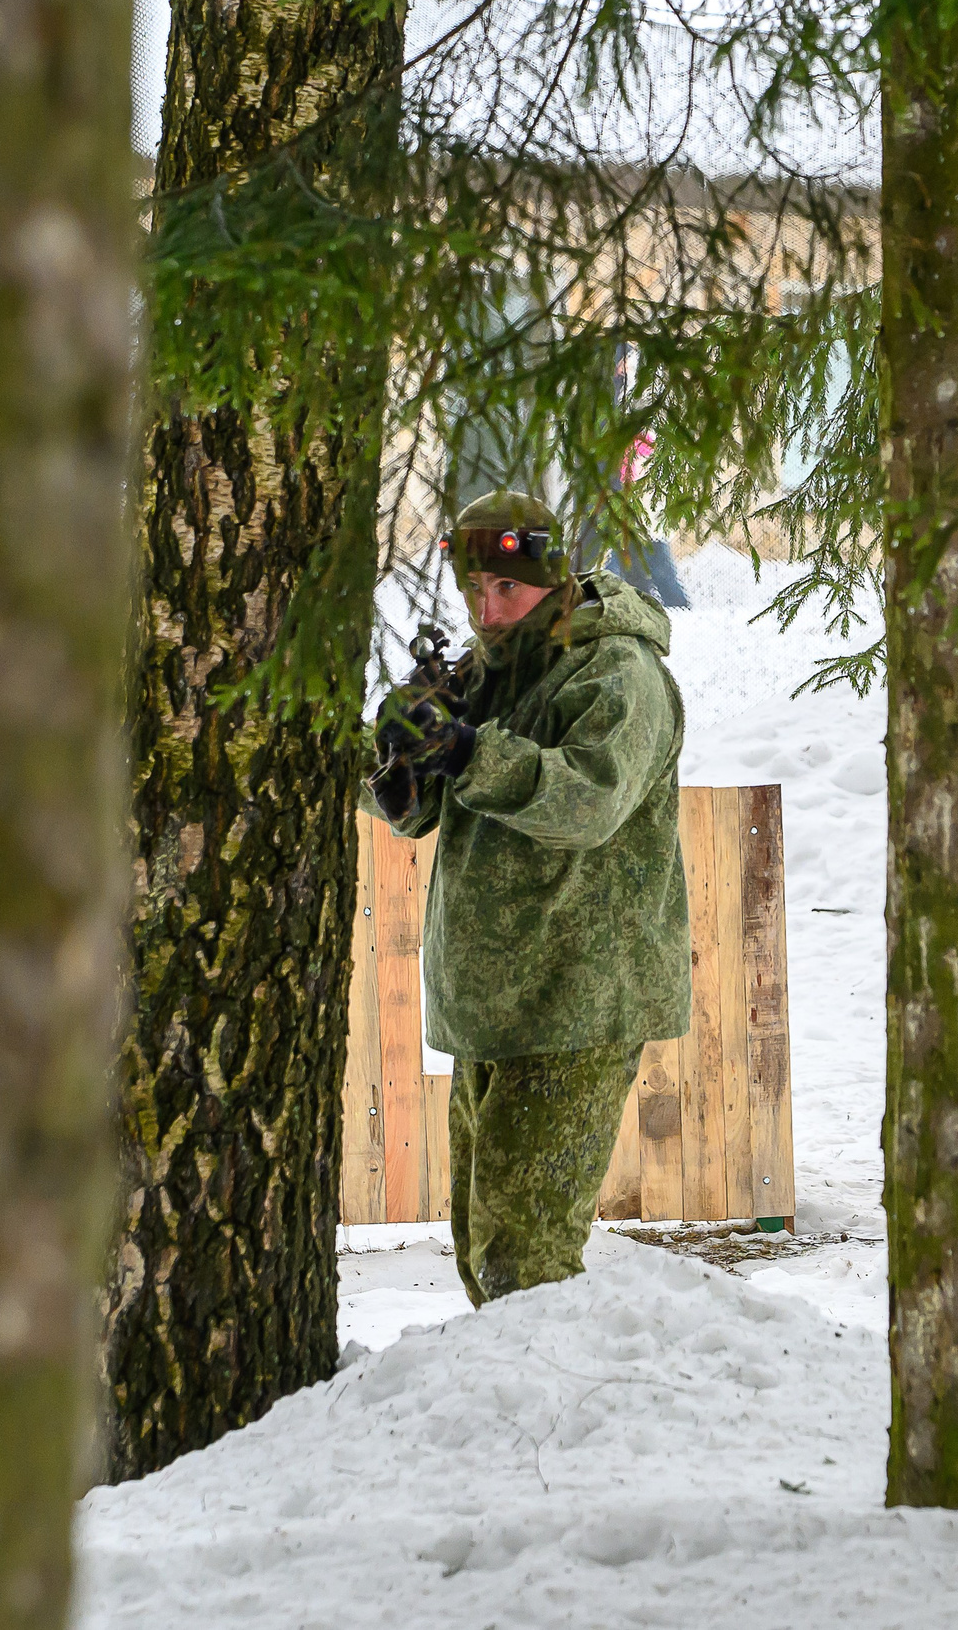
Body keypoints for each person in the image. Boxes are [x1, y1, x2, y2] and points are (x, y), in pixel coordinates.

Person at [363, 490, 690, 1306]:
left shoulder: (620, 669)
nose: (488, 610)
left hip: (576, 1001)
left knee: (526, 1265)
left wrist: (472, 750)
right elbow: (418, 810)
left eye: (507, 588)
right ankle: (517, 1421)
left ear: (556, 577)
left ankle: (557, 1426)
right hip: (496, 1007)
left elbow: (587, 801)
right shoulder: (489, 673)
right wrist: (395, 758)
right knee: (483, 1254)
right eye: (475, 591)